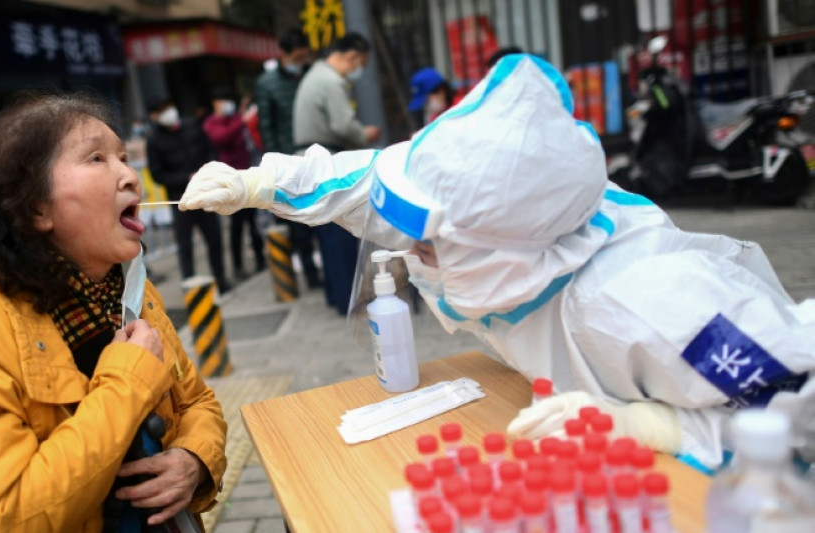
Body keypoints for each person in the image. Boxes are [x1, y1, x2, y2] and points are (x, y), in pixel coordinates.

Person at [177, 54, 815, 471]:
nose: (405, 246)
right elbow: (365, 181)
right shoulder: (501, 215)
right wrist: (264, 183)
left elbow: (795, 415)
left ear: (497, 245)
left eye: (426, 238)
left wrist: (656, 425)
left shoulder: (650, 299)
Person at [0, 93, 227, 531]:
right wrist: (127, 383)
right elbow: (7, 516)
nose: (130, 177)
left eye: (123, 157)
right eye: (97, 159)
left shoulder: (133, 290)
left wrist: (194, 461)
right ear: (36, 207)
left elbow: (196, 403)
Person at [293, 32, 381, 314]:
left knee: (328, 237)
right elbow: (343, 125)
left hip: (310, 161)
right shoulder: (331, 81)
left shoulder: (316, 75)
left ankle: (337, 295)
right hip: (324, 162)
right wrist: (365, 134)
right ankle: (349, 302)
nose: (358, 70)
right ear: (352, 56)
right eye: (360, 63)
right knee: (340, 236)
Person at [254, 28, 322, 290]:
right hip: (287, 162)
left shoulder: (309, 76)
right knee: (297, 223)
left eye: (304, 56)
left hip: (314, 157)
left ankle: (327, 268)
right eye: (296, 56)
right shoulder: (266, 84)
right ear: (283, 54)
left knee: (323, 214)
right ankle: (310, 272)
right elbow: (266, 127)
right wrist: (274, 166)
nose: (300, 61)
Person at [147, 100, 231, 293]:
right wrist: (184, 178)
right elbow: (157, 174)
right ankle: (190, 287)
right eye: (162, 112)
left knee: (214, 238)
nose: (169, 113)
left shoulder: (192, 126)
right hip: (181, 199)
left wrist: (206, 172)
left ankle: (221, 280)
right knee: (185, 245)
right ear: (155, 117)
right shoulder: (154, 140)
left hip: (204, 193)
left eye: (169, 108)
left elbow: (210, 150)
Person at [203, 87, 265, 280]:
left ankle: (261, 259)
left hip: (247, 176)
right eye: (223, 100)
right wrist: (241, 120)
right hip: (229, 181)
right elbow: (221, 137)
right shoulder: (211, 123)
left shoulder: (237, 119)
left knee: (253, 220)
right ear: (215, 103)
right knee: (236, 225)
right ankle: (238, 266)